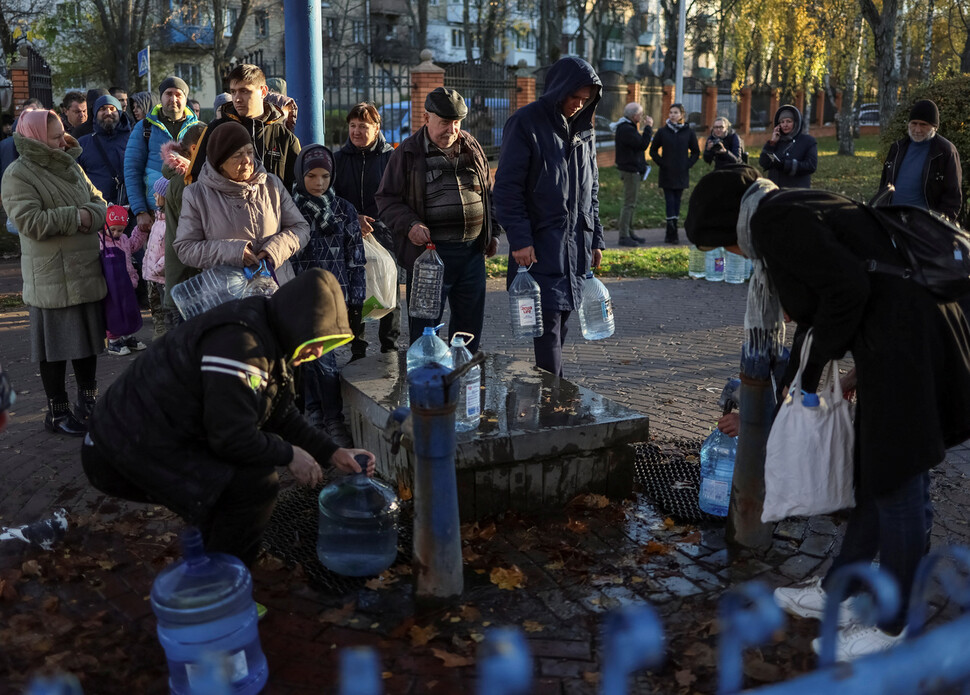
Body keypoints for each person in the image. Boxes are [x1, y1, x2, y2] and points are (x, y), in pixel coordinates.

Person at [685, 164, 970, 661]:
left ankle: (893, 623)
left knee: (899, 482)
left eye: (721, 245)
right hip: (902, 334)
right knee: (874, 474)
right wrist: (807, 378)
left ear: (727, 224)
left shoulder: (774, 224)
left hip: (908, 343)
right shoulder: (786, 205)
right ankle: (847, 587)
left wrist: (815, 374)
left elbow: (847, 292)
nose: (731, 255)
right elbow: (835, 298)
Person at [81, 268, 376, 566]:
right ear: (298, 319)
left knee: (236, 484)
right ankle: (222, 585)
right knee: (252, 485)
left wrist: (332, 452)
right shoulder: (242, 346)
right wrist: (289, 453)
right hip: (117, 447)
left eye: (326, 343)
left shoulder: (272, 330)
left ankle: (214, 565)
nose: (317, 351)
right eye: (316, 338)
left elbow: (280, 415)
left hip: (160, 434)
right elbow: (231, 437)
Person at [493, 56, 604, 377]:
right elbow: (507, 189)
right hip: (541, 247)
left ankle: (550, 391)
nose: (577, 104)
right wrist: (520, 239)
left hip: (577, 247)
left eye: (585, 100)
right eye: (573, 97)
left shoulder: (584, 130)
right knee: (548, 329)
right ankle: (552, 400)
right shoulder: (526, 123)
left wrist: (596, 238)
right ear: (559, 88)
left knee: (563, 318)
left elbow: (592, 189)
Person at [0, 109, 108, 435]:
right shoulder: (18, 174)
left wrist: (93, 214)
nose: (64, 140)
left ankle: (88, 405)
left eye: (63, 133)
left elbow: (99, 201)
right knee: (55, 348)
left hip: (85, 268)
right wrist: (78, 218)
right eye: (55, 136)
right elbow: (29, 222)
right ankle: (57, 412)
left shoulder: (71, 165)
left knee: (88, 343)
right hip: (51, 274)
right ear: (35, 138)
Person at [375, 87, 501, 354]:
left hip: (472, 256)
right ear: (426, 118)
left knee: (468, 331)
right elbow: (386, 199)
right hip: (430, 257)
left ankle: (462, 379)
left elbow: (489, 193)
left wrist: (493, 232)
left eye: (456, 123)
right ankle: (426, 387)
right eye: (444, 122)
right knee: (425, 330)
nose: (452, 129)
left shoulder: (471, 145)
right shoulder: (407, 153)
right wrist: (410, 225)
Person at [290, 145, 365, 445]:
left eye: (325, 176)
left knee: (325, 358)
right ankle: (317, 413)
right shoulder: (289, 209)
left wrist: (357, 299)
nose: (319, 183)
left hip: (335, 298)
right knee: (308, 358)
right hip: (299, 297)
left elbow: (356, 258)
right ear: (300, 175)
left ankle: (329, 417)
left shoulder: (344, 210)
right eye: (311, 175)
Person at [175, 121, 309, 284]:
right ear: (220, 162)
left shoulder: (271, 184)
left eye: (250, 152)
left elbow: (301, 228)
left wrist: (274, 250)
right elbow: (186, 248)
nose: (246, 160)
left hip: (277, 287)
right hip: (229, 294)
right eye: (237, 155)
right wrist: (234, 252)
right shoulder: (197, 195)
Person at [332, 102, 399, 357]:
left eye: (363, 126)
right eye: (352, 126)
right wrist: (352, 218)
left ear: (377, 127)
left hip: (384, 233)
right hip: (350, 232)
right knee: (356, 289)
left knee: (388, 286)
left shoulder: (390, 158)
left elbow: (397, 195)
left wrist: (378, 222)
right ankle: (358, 347)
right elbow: (332, 196)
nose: (357, 131)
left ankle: (389, 346)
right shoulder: (338, 159)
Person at [190, 64, 301, 190]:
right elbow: (195, 178)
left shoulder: (284, 137)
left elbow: (296, 185)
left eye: (244, 91)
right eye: (233, 92)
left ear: (263, 92)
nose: (237, 99)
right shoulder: (215, 131)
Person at [123, 76, 199, 236]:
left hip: (193, 211)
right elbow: (132, 171)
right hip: (155, 213)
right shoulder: (144, 128)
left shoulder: (199, 129)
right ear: (161, 97)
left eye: (178, 94)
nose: (173, 99)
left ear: (185, 98)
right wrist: (140, 210)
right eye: (168, 93)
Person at [876, 99, 962, 221]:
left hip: (926, 225)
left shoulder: (946, 152)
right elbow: (884, 186)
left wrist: (940, 225)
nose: (917, 130)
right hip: (893, 219)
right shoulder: (897, 148)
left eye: (923, 125)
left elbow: (952, 197)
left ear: (934, 127)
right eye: (914, 123)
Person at [160, 123, 207, 328]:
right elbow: (193, 228)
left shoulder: (189, 177)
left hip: (186, 275)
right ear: (195, 149)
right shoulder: (185, 181)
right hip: (185, 276)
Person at [649, 102, 700, 244]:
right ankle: (670, 232)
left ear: (682, 115)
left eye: (676, 113)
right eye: (671, 112)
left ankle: (674, 231)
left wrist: (687, 164)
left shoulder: (688, 132)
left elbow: (696, 152)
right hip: (667, 173)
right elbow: (653, 150)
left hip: (681, 173)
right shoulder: (662, 131)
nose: (673, 115)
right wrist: (662, 163)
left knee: (677, 201)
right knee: (669, 201)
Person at [100, 205, 147, 356]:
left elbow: (134, 245)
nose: (116, 233)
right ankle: (113, 340)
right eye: (112, 230)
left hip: (127, 282)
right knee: (114, 311)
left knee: (128, 309)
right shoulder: (100, 241)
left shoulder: (124, 239)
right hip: (111, 285)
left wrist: (140, 231)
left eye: (120, 230)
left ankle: (127, 335)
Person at [77, 95, 131, 205]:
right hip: (98, 210)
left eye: (112, 108)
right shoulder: (83, 144)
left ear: (119, 113)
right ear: (96, 114)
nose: (108, 112)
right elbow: (76, 179)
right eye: (102, 109)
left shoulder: (133, 140)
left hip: (130, 209)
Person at [613, 102, 654, 247]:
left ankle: (629, 232)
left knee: (631, 203)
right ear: (634, 115)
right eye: (640, 114)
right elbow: (642, 144)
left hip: (632, 169)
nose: (642, 117)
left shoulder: (627, 127)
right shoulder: (626, 129)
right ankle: (623, 236)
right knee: (629, 204)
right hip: (630, 171)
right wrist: (649, 127)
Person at [758, 104, 817, 188]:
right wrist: (772, 142)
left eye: (789, 121)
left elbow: (811, 166)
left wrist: (786, 165)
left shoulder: (808, 141)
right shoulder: (776, 142)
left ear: (796, 123)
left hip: (797, 192)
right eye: (782, 122)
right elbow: (763, 163)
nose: (785, 125)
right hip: (775, 192)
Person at [143, 177, 170, 340]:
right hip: (151, 274)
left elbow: (170, 249)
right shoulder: (157, 219)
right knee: (154, 304)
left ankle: (168, 333)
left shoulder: (170, 223)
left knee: (166, 305)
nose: (153, 195)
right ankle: (158, 329)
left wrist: (159, 267)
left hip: (161, 274)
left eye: (158, 193)